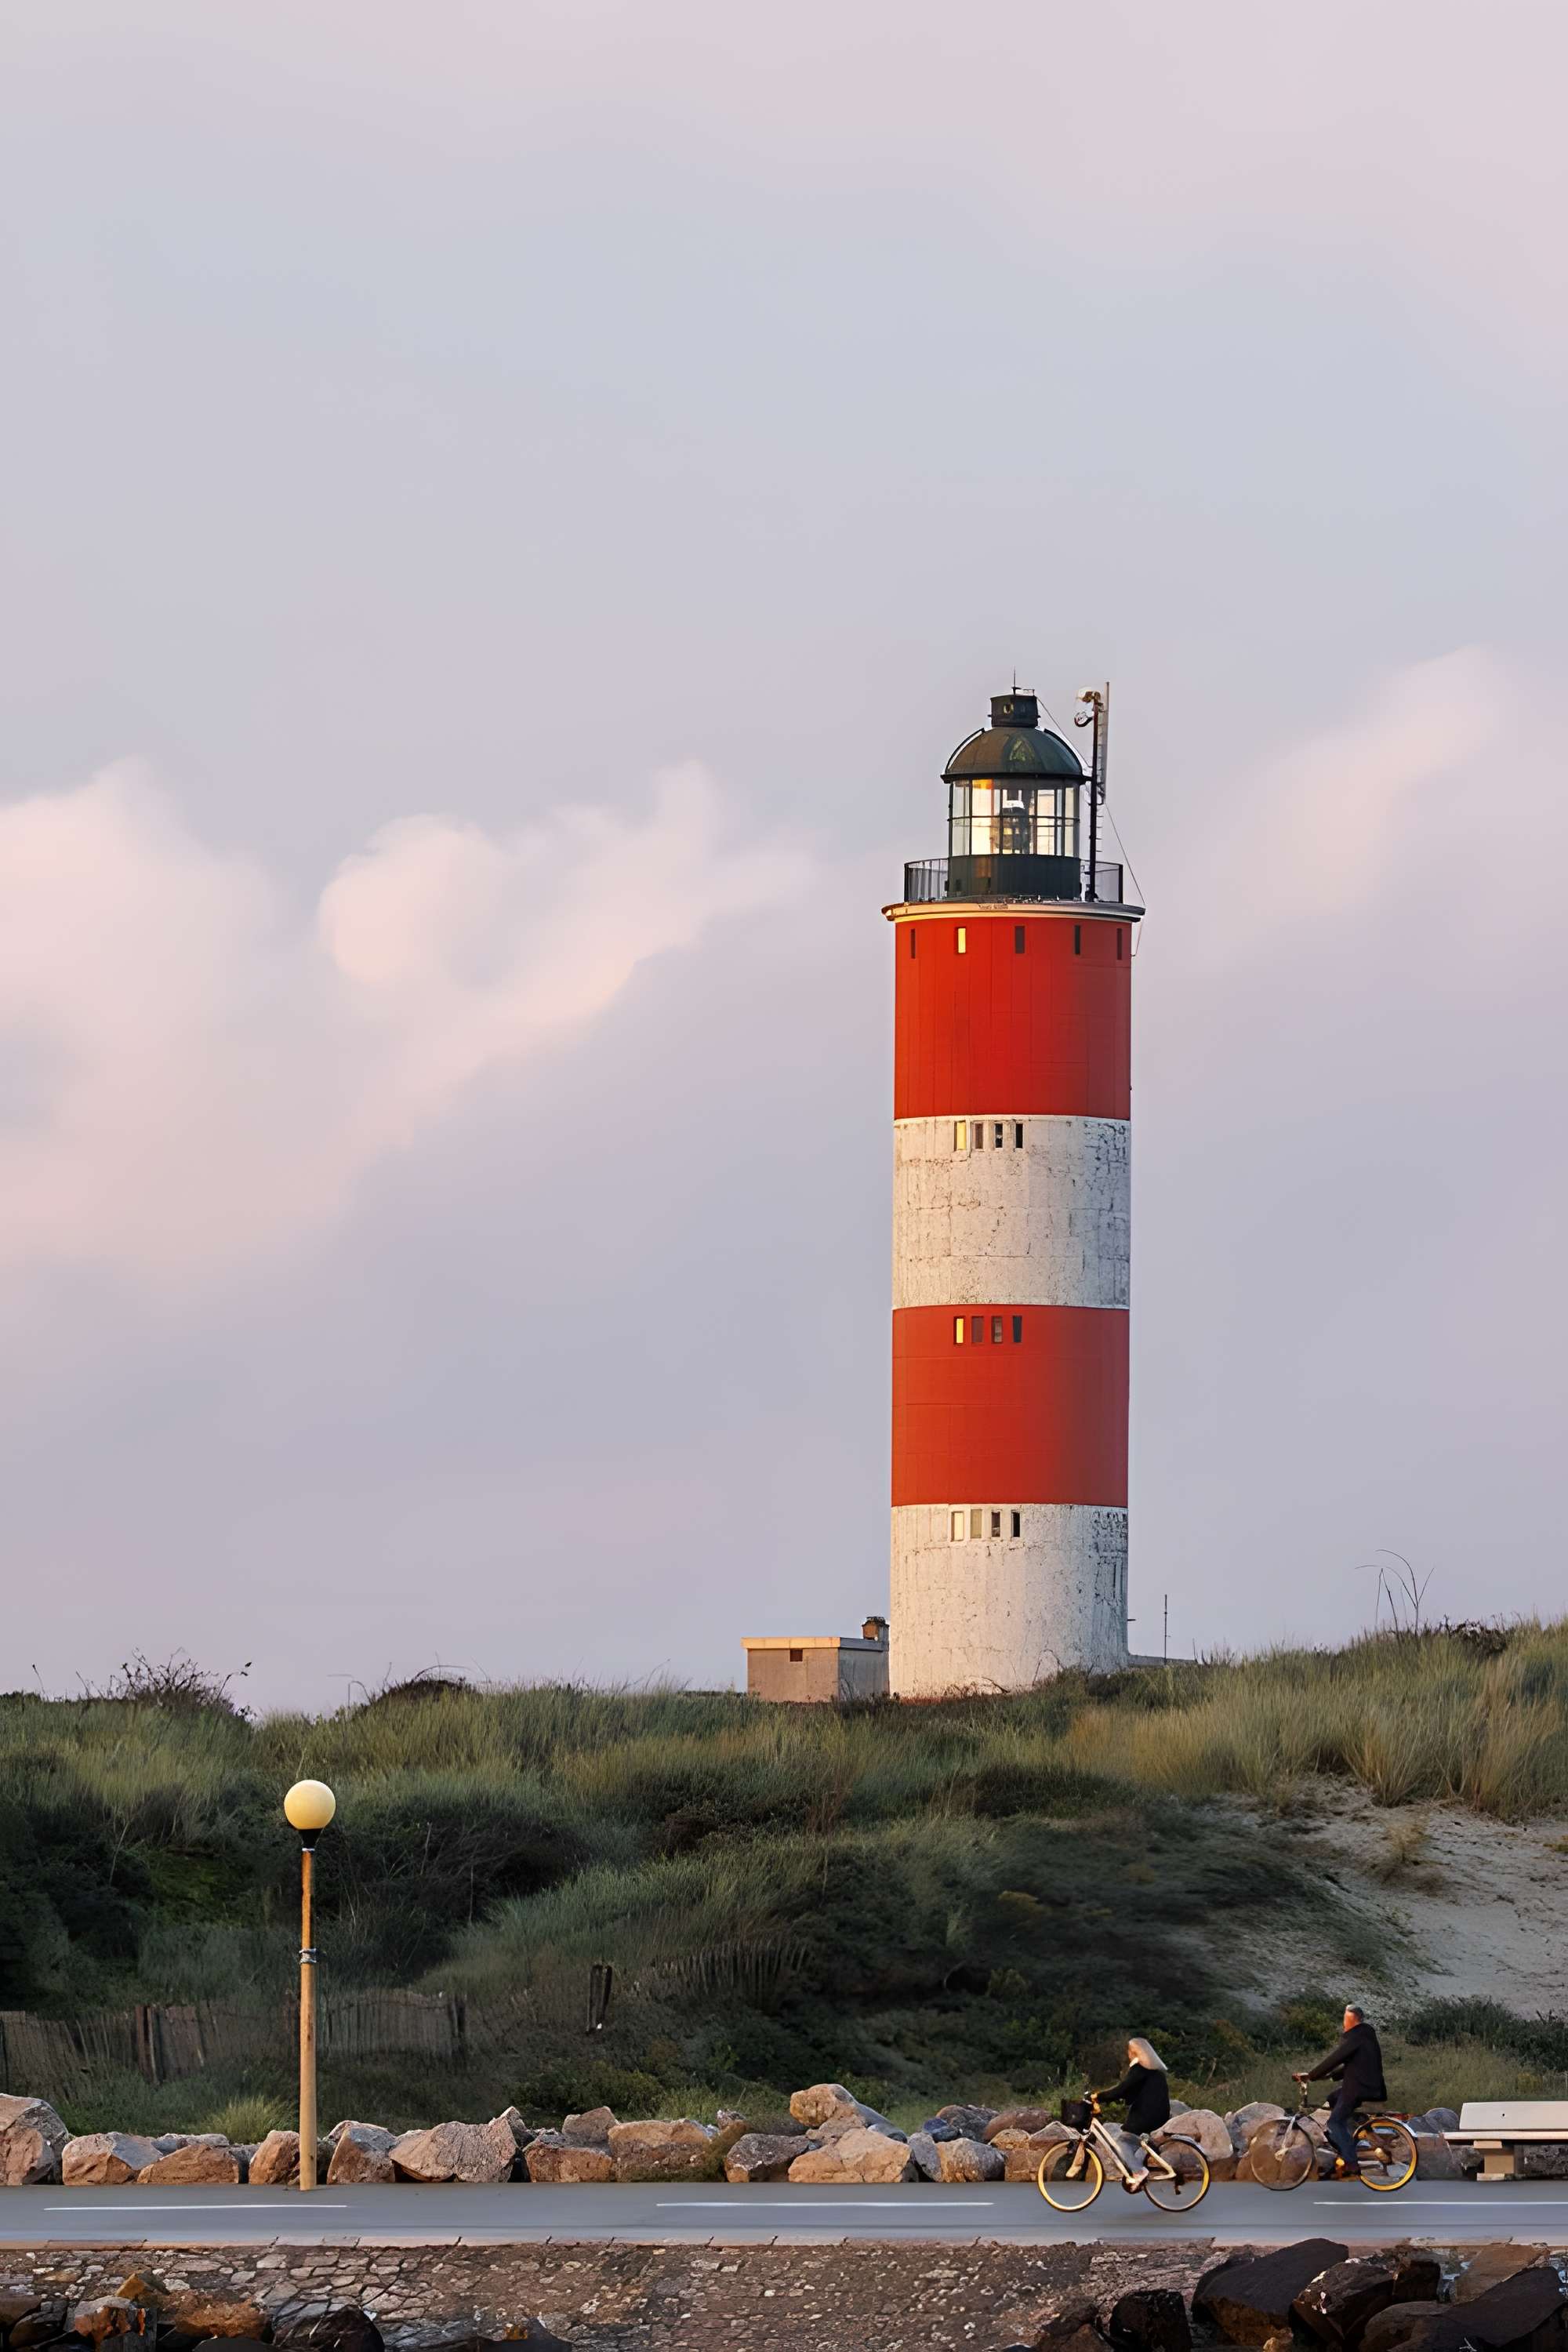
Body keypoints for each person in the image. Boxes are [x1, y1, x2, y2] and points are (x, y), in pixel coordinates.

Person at [1294, 2003, 1386, 2177]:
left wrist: (1312, 2076)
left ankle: (1351, 2162)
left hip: (1359, 2087)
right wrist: (1327, 2077)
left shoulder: (1356, 2036)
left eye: (1345, 2019)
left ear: (1352, 2020)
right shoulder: (1366, 2036)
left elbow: (1336, 2058)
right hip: (1365, 2085)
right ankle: (1351, 2132)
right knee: (1333, 2098)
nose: (1343, 2023)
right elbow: (1353, 2065)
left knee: (1334, 2122)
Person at [1093, 2035, 1172, 2188]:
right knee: (1137, 2142)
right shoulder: (1152, 2070)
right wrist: (1114, 2098)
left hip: (1147, 2115)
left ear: (1135, 2052)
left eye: (1129, 2051)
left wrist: (1099, 2096)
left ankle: (1139, 2172)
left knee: (1123, 2141)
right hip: (1158, 2114)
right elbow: (1130, 2092)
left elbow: (1122, 2089)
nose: (1128, 2054)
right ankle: (1142, 2167)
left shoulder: (1140, 2068)